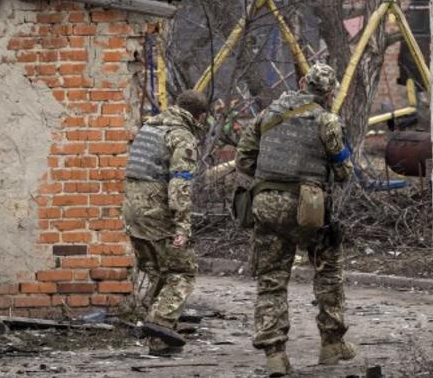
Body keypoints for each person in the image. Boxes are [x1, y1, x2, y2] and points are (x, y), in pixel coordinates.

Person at [235, 63, 355, 376]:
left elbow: (244, 160)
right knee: (328, 268)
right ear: (329, 93)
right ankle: (331, 343)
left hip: (265, 202)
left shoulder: (267, 115)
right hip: (308, 207)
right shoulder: (326, 120)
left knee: (271, 278)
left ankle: (275, 354)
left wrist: (271, 178)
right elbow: (344, 172)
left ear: (302, 82)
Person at [123, 90, 208, 355]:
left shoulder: (149, 127)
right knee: (183, 270)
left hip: (132, 211)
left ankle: (158, 341)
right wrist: (182, 226)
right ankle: (159, 324)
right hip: (156, 212)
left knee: (161, 270)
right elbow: (179, 186)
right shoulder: (181, 137)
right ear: (200, 116)